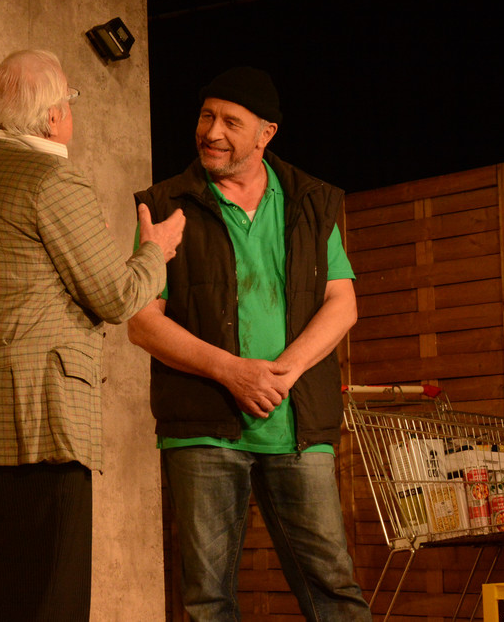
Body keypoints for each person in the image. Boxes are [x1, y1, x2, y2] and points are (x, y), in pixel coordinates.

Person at [0, 49, 184, 622]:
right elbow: (116, 296)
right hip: (36, 427)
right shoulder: (52, 179)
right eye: (69, 100)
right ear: (52, 116)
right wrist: (155, 252)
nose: (70, 113)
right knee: (46, 605)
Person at [128, 66, 371, 621]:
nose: (211, 131)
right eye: (206, 116)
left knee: (334, 589)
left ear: (266, 133)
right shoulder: (166, 204)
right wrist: (232, 372)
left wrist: (283, 372)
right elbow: (141, 321)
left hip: (297, 423)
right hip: (204, 425)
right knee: (208, 599)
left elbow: (342, 302)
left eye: (230, 122)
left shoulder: (311, 201)